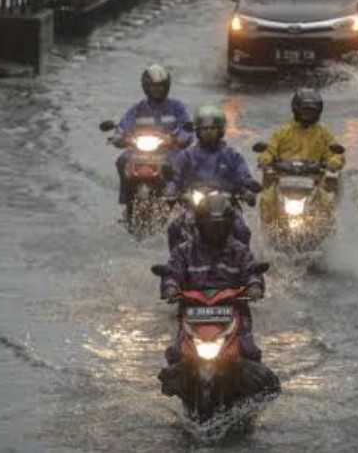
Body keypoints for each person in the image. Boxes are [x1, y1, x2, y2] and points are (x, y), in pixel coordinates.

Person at [158, 194, 266, 391]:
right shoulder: (184, 251)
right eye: (210, 226)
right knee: (175, 354)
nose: (215, 232)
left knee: (249, 351)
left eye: (220, 227)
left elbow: (252, 272)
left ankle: (254, 393)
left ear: (229, 226)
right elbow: (171, 273)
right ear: (199, 225)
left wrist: (254, 286)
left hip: (233, 312)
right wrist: (170, 288)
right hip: (193, 313)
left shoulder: (240, 251)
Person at [165, 104, 258, 250]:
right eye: (205, 129)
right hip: (194, 206)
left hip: (227, 207)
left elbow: (243, 176)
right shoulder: (187, 156)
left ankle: (243, 261)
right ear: (198, 131)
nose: (209, 132)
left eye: (213, 129)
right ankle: (177, 262)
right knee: (174, 228)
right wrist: (171, 192)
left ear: (220, 130)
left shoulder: (232, 155)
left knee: (242, 230)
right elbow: (174, 178)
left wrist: (247, 190)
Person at [110, 65, 194, 219]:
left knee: (184, 163)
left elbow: (187, 128)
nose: (158, 89)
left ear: (167, 86)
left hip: (169, 151)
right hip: (139, 152)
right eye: (154, 86)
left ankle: (181, 200)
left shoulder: (177, 107)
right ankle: (126, 200)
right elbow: (122, 127)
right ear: (146, 87)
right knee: (122, 161)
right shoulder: (137, 109)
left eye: (161, 86)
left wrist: (177, 139)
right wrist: (120, 137)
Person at [256, 89, 345, 226]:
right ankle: (268, 229)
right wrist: (265, 158)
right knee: (267, 200)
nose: (308, 115)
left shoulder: (324, 133)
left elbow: (335, 152)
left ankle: (323, 230)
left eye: (312, 111)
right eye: (305, 111)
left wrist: (334, 161)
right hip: (283, 180)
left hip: (314, 181)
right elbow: (269, 149)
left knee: (326, 203)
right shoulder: (282, 132)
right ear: (296, 110)